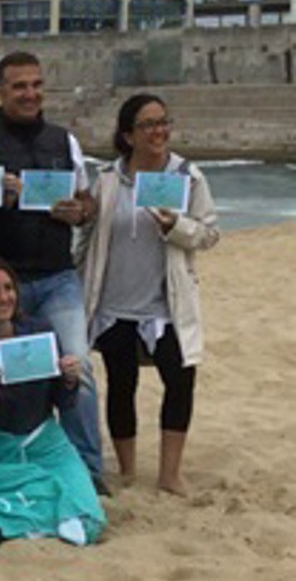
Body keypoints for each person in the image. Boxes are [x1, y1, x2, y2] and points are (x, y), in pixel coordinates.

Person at [0, 51, 105, 491]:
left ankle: (88, 468)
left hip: (57, 277)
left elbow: (87, 202)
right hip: (1, 281)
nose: (30, 94)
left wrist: (79, 212)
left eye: (36, 84)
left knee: (77, 367)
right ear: (0, 92)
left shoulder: (64, 141)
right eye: (19, 86)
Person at [76, 94, 220, 496]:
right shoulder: (108, 178)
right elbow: (89, 235)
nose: (159, 131)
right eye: (148, 125)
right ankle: (126, 470)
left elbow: (209, 233)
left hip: (166, 305)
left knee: (181, 379)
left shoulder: (188, 176)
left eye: (163, 122)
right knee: (121, 385)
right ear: (128, 135)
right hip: (114, 304)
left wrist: (176, 226)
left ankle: (170, 474)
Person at [0, 256, 106, 544]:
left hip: (45, 442)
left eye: (9, 288)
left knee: (88, 514)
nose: (4, 297)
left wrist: (69, 380)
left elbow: (63, 402)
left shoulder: (40, 332)